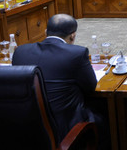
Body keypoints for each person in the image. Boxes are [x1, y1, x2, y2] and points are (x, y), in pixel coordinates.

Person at [12, 14, 100, 144]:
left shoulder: (20, 51)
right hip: (64, 129)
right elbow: (90, 87)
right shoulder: (77, 53)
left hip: (25, 128)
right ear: (73, 36)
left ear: (46, 32)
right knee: (104, 118)